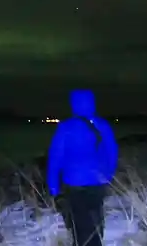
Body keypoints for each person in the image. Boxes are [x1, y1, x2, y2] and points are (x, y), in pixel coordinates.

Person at [47, 89, 119, 246]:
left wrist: (54, 188)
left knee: (80, 225)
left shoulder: (66, 128)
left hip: (74, 184)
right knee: (96, 220)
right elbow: (112, 151)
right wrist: (108, 174)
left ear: (73, 104)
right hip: (98, 182)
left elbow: (55, 159)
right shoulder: (102, 125)